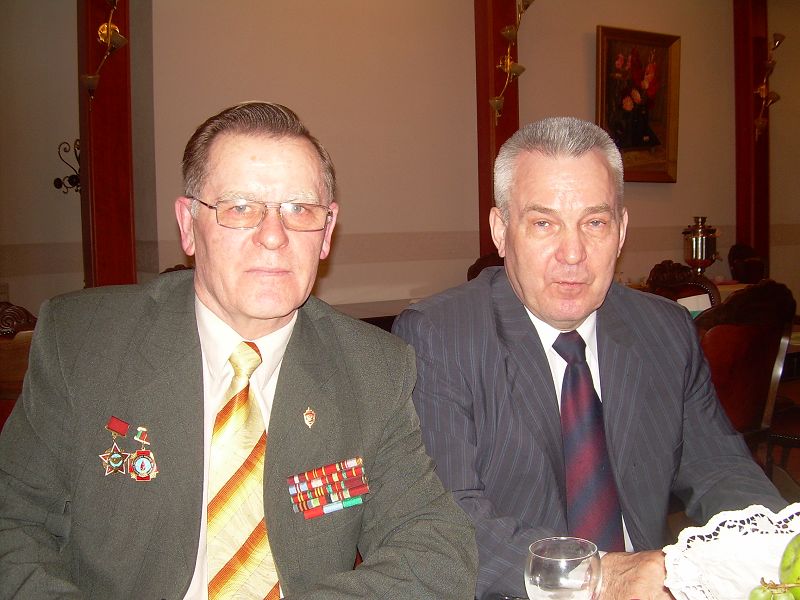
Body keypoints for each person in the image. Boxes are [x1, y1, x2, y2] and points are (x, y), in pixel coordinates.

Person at [0, 102, 477, 599]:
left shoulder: (373, 368)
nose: (273, 236)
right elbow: (12, 523)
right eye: (240, 207)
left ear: (327, 231)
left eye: (299, 209)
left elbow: (436, 547)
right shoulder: (83, 342)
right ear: (188, 224)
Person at [392, 116, 786, 600]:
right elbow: (448, 518)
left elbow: (720, 469)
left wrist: (777, 551)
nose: (573, 253)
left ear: (621, 231)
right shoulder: (441, 337)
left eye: (595, 223)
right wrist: (599, 575)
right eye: (543, 223)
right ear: (501, 230)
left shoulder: (664, 330)